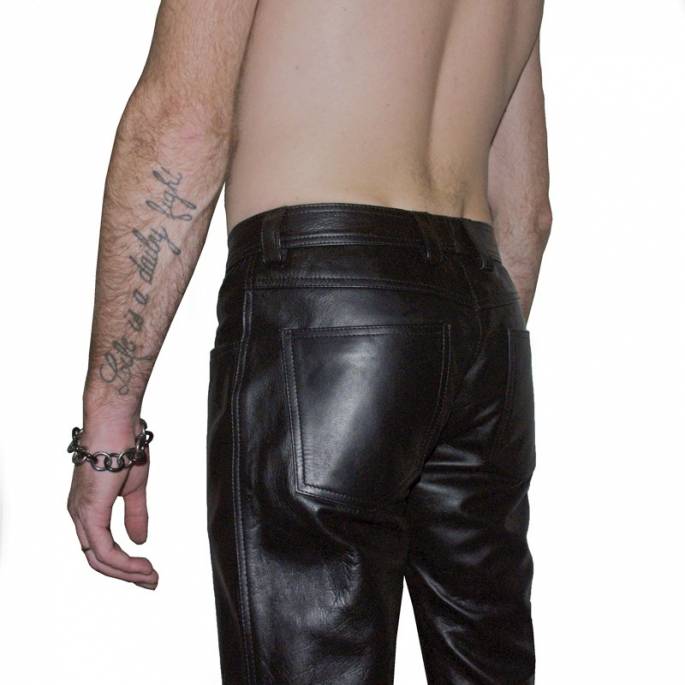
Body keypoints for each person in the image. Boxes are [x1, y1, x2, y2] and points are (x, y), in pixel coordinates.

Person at [67, 1, 552, 683]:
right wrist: (448, 365)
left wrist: (109, 419)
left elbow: (183, 123)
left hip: (321, 319)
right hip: (484, 322)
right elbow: (526, 212)